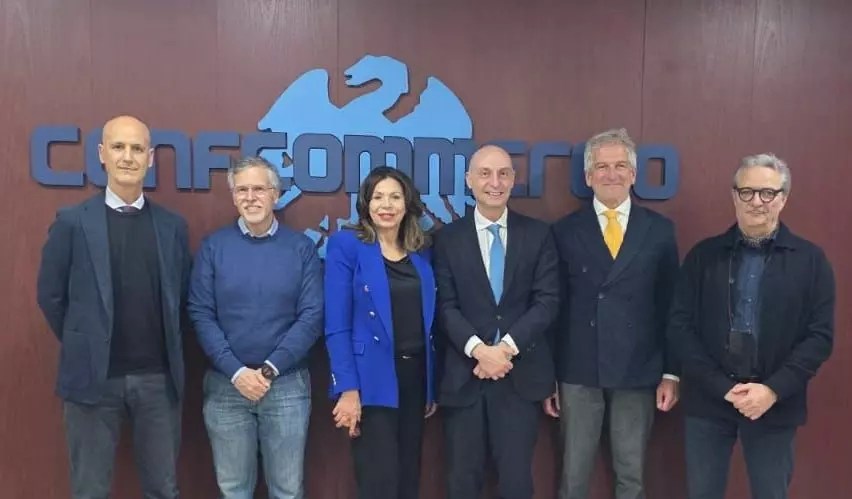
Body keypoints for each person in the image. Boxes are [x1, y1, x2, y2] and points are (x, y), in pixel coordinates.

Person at [36, 115, 191, 499]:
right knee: (90, 490)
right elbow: (51, 295)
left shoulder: (172, 227)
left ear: (150, 159)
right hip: (92, 379)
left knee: (163, 489)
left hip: (158, 382)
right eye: (118, 147)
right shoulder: (72, 222)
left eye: (137, 149)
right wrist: (86, 341)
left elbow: (182, 297)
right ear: (102, 154)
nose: (128, 156)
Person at [668, 153, 834, 499]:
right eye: (747, 192)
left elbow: (819, 338)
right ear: (734, 196)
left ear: (783, 198)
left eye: (767, 193)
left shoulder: (811, 261)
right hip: (709, 400)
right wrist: (720, 387)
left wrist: (772, 390)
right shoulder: (703, 257)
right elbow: (680, 327)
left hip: (775, 402)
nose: (756, 201)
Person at [548, 128, 680, 499]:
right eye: (602, 167)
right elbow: (552, 308)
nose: (611, 174)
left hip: (639, 368)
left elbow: (672, 306)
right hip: (578, 370)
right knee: (573, 477)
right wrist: (548, 376)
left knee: (631, 475)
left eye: (620, 166)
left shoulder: (659, 230)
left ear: (633, 174)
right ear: (588, 176)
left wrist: (671, 372)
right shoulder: (563, 231)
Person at [187, 156, 323, 499]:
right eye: (242, 190)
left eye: (259, 189)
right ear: (234, 197)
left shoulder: (301, 249)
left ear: (275, 194)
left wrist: (269, 369)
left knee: (287, 491)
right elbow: (201, 313)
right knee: (233, 490)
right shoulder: (214, 247)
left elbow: (311, 316)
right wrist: (236, 372)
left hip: (286, 384)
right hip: (226, 385)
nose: (250, 197)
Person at [434, 144, 560, 499]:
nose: (495, 182)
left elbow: (547, 301)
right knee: (462, 481)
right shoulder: (446, 239)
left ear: (513, 180)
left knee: (517, 482)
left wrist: (504, 350)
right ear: (469, 180)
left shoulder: (538, 234)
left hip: (519, 377)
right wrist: (480, 351)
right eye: (485, 174)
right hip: (465, 376)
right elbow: (444, 306)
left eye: (503, 174)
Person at [324, 166, 438, 499]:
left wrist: (430, 386)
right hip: (370, 379)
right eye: (378, 197)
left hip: (415, 377)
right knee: (379, 482)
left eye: (394, 197)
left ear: (407, 203)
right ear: (366, 203)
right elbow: (337, 325)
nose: (386, 205)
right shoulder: (347, 245)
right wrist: (347, 389)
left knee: (408, 478)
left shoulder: (421, 248)